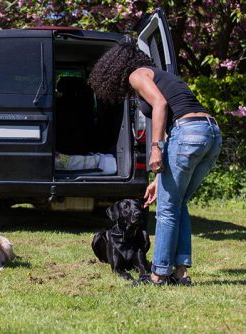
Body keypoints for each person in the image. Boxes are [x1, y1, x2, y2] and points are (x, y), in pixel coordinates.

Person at [88, 42, 222, 286]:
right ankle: (181, 273)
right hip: (210, 134)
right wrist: (158, 180)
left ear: (117, 67)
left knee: (168, 209)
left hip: (188, 133)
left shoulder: (137, 74)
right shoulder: (165, 76)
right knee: (177, 203)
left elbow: (159, 104)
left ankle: (158, 274)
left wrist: (155, 148)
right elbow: (176, 128)